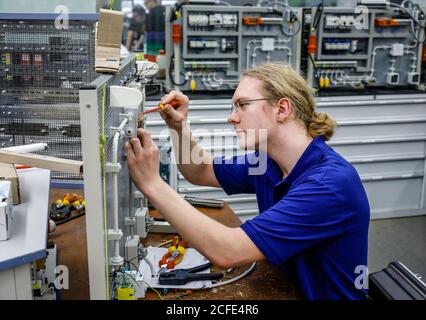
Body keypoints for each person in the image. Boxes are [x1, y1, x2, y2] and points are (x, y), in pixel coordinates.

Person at [125, 63, 370, 300]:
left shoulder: (329, 185)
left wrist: (153, 184)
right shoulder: (267, 163)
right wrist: (178, 127)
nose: (232, 118)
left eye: (242, 105)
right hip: (288, 288)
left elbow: (227, 251)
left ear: (282, 109)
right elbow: (200, 170)